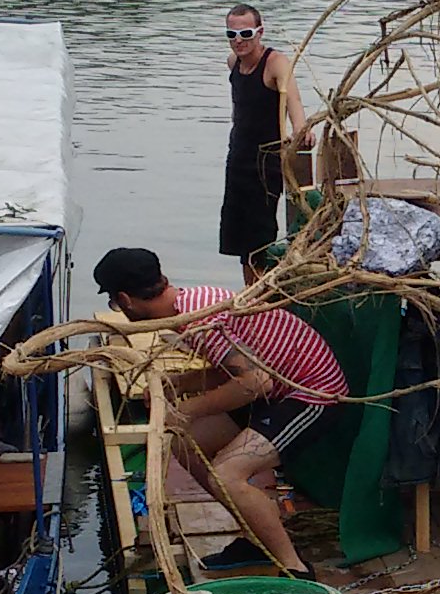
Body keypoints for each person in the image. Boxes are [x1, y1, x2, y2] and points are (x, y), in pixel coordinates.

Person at [89, 244, 345, 576]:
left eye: (114, 302)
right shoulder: (188, 309)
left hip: (311, 395)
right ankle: (256, 537)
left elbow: (256, 382)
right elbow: (238, 368)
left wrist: (186, 409)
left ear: (124, 300)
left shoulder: (200, 318)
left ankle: (294, 567)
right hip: (275, 390)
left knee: (226, 473)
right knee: (185, 442)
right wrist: (180, 383)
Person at [218, 2, 308, 260]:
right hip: (238, 156)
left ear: (259, 32)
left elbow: (294, 101)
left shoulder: (275, 63)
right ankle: (249, 289)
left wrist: (300, 131)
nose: (238, 41)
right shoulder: (233, 62)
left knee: (260, 233)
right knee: (238, 235)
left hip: (267, 159)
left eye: (245, 34)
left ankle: (263, 289)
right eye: (231, 35)